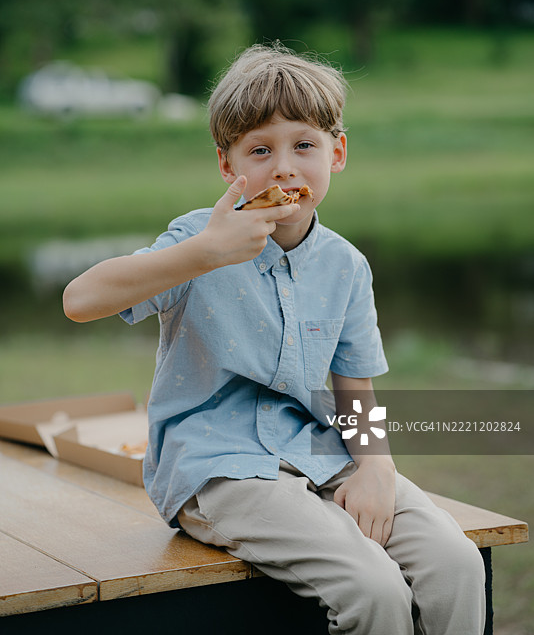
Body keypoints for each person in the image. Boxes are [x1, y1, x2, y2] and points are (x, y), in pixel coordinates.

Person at [63, 44, 486, 634]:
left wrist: (375, 465)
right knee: (372, 587)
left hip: (321, 455)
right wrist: (203, 254)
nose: (284, 168)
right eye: (260, 150)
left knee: (457, 563)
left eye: (303, 145)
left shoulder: (345, 265)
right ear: (225, 164)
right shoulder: (197, 240)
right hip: (217, 469)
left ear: (337, 152)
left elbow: (354, 387)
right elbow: (79, 300)